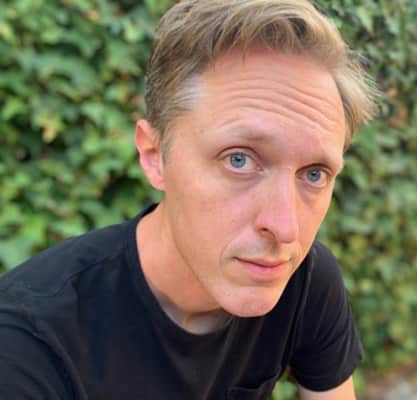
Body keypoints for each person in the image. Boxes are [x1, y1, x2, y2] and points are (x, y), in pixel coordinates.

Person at [0, 1, 377, 399]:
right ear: (154, 156)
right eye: (239, 159)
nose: (286, 229)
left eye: (314, 174)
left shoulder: (304, 281)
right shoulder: (26, 346)